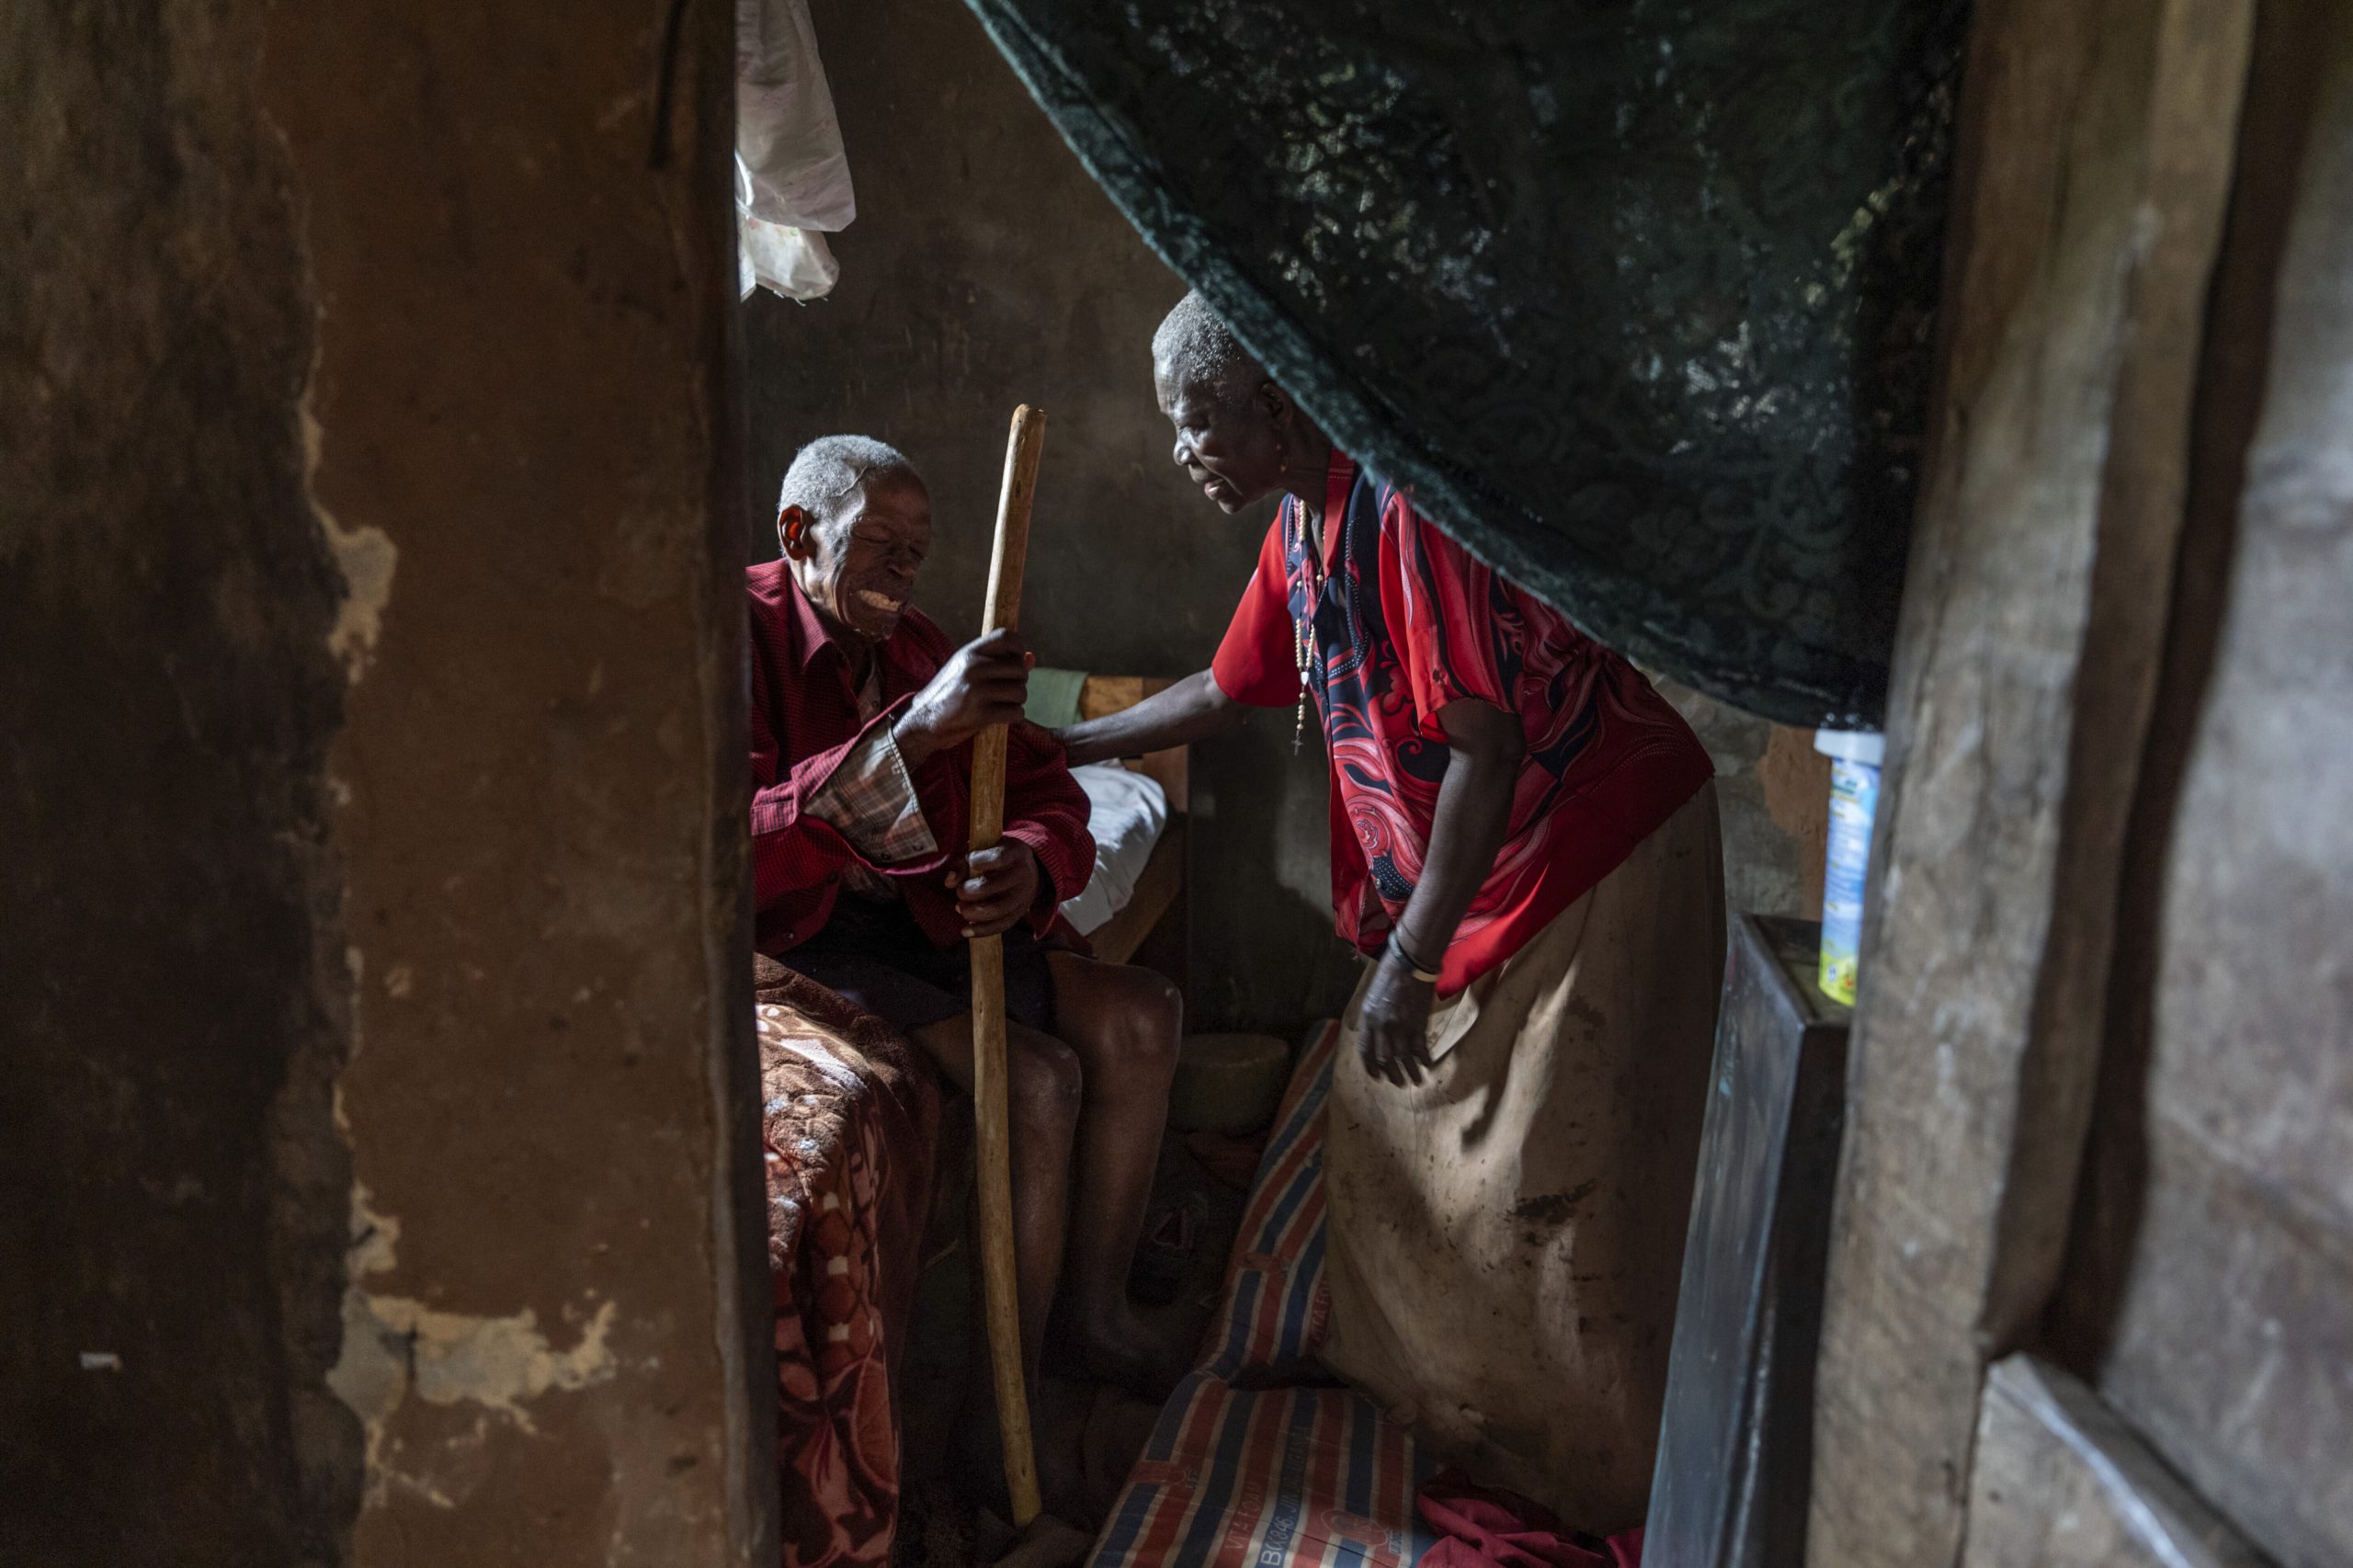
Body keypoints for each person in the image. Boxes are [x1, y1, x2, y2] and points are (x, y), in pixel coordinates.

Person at [1058, 295, 1725, 1528]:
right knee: (1382, 1122)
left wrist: (1407, 960)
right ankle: (1457, 1408)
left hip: (1592, 845)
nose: (1183, 448)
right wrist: (1066, 743)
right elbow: (1225, 682)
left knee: (1561, 1169)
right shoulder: (1309, 524)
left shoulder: (1411, 511)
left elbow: (1487, 748)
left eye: (1197, 418)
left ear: (1274, 405)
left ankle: (1588, 1467)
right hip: (1491, 864)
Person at [747, 435, 1183, 1427]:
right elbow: (736, 843)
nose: (903, 569)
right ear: (797, 533)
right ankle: (1007, 1404)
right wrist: (913, 734)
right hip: (804, 941)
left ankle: (1095, 1317)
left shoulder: (919, 648)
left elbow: (1045, 788)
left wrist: (1031, 858)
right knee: (1037, 1078)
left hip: (924, 924)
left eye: (918, 549)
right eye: (879, 542)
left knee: (1143, 1011)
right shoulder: (735, 629)